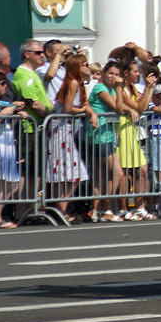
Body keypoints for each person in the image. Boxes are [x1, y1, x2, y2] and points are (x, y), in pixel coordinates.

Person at [46, 55, 93, 222]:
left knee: (71, 173)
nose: (88, 67)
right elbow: (67, 108)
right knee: (64, 171)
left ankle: (63, 208)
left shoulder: (77, 84)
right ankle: (62, 209)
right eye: (85, 64)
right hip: (61, 129)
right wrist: (83, 111)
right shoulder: (73, 82)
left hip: (66, 129)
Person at [0, 72, 29, 228]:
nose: (5, 86)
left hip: (6, 142)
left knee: (11, 184)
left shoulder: (2, 102)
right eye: (1, 83)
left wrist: (16, 112)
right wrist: (5, 113)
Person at [87, 60, 127, 222]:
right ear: (103, 73)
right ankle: (106, 209)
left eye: (117, 75)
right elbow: (118, 108)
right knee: (117, 173)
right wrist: (118, 88)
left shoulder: (109, 89)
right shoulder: (100, 88)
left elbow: (123, 106)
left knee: (100, 176)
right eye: (110, 73)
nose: (113, 77)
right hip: (101, 136)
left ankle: (96, 210)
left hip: (106, 135)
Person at [117, 59, 156, 221]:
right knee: (125, 172)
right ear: (126, 73)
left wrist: (150, 88)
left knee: (142, 169)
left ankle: (140, 207)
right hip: (123, 129)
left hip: (132, 130)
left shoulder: (132, 88)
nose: (138, 74)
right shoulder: (121, 89)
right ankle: (123, 208)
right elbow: (138, 106)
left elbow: (144, 106)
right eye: (135, 71)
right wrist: (147, 88)